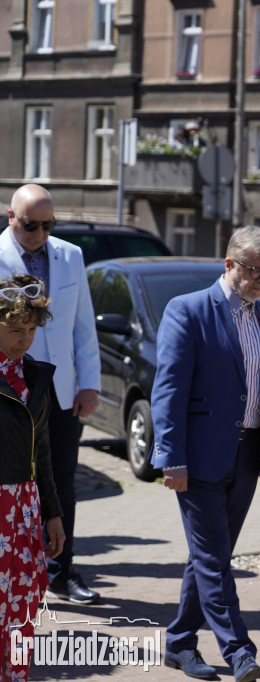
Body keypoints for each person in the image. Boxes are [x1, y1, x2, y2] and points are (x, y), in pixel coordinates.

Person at [151, 226, 260, 682]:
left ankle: (179, 643)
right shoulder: (187, 310)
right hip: (197, 458)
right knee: (212, 559)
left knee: (210, 555)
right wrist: (170, 457)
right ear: (229, 264)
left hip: (248, 457)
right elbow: (167, 390)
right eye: (253, 270)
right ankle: (239, 650)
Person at [0, 183, 102, 605]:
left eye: (47, 225)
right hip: (7, 388)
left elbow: (82, 324)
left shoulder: (71, 256)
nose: (40, 234)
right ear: (11, 218)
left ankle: (62, 572)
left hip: (58, 391)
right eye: (30, 226)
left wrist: (89, 382)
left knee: (60, 480)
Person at [0, 274, 65, 680]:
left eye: (31, 330)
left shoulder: (37, 376)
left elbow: (43, 452)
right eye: (13, 330)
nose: (24, 339)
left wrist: (53, 514)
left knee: (23, 605)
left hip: (24, 508)